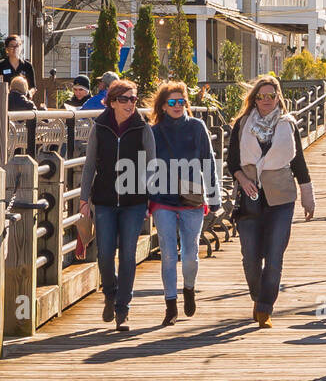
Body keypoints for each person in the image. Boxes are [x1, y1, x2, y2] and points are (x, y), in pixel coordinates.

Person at [227, 75, 315, 327]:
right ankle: (258, 297)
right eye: (261, 96)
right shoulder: (243, 124)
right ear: (254, 99)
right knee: (250, 257)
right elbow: (232, 161)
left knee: (275, 256)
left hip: (282, 197)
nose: (266, 100)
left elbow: (298, 162)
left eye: (271, 96)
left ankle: (265, 307)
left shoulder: (288, 125)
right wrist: (242, 179)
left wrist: (307, 196)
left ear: (278, 98)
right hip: (250, 196)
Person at [78, 78, 155, 332]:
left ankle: (123, 310)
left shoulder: (142, 128)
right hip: (105, 200)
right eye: (125, 99)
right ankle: (110, 294)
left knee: (129, 255)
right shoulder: (99, 127)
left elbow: (151, 166)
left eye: (134, 99)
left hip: (134, 201)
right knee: (104, 254)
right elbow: (89, 164)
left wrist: (149, 199)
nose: (131, 104)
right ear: (112, 102)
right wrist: (83, 199)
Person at [149, 81, 223, 325]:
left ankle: (189, 289)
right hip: (163, 198)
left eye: (181, 101)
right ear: (162, 106)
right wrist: (144, 196)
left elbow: (208, 162)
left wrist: (214, 196)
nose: (178, 105)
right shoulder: (155, 131)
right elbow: (145, 166)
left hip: (192, 196)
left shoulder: (197, 127)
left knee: (190, 253)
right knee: (169, 254)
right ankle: (170, 305)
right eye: (172, 102)